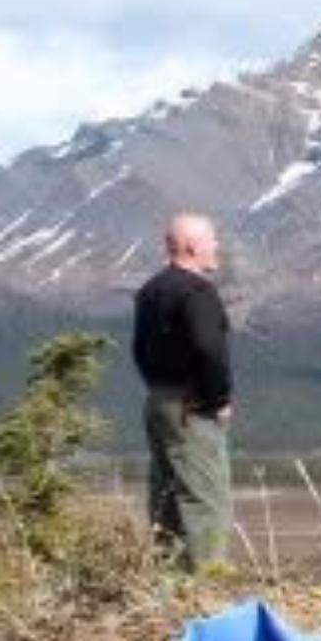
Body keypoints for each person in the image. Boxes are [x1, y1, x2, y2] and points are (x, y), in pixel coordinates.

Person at [132, 212, 233, 570]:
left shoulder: (150, 291)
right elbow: (209, 348)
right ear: (191, 246)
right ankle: (209, 577)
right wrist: (218, 398)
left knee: (165, 493)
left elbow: (139, 349)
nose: (217, 245)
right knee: (205, 495)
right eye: (212, 239)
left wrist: (158, 388)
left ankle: (168, 575)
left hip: (157, 400)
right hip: (192, 406)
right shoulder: (197, 290)